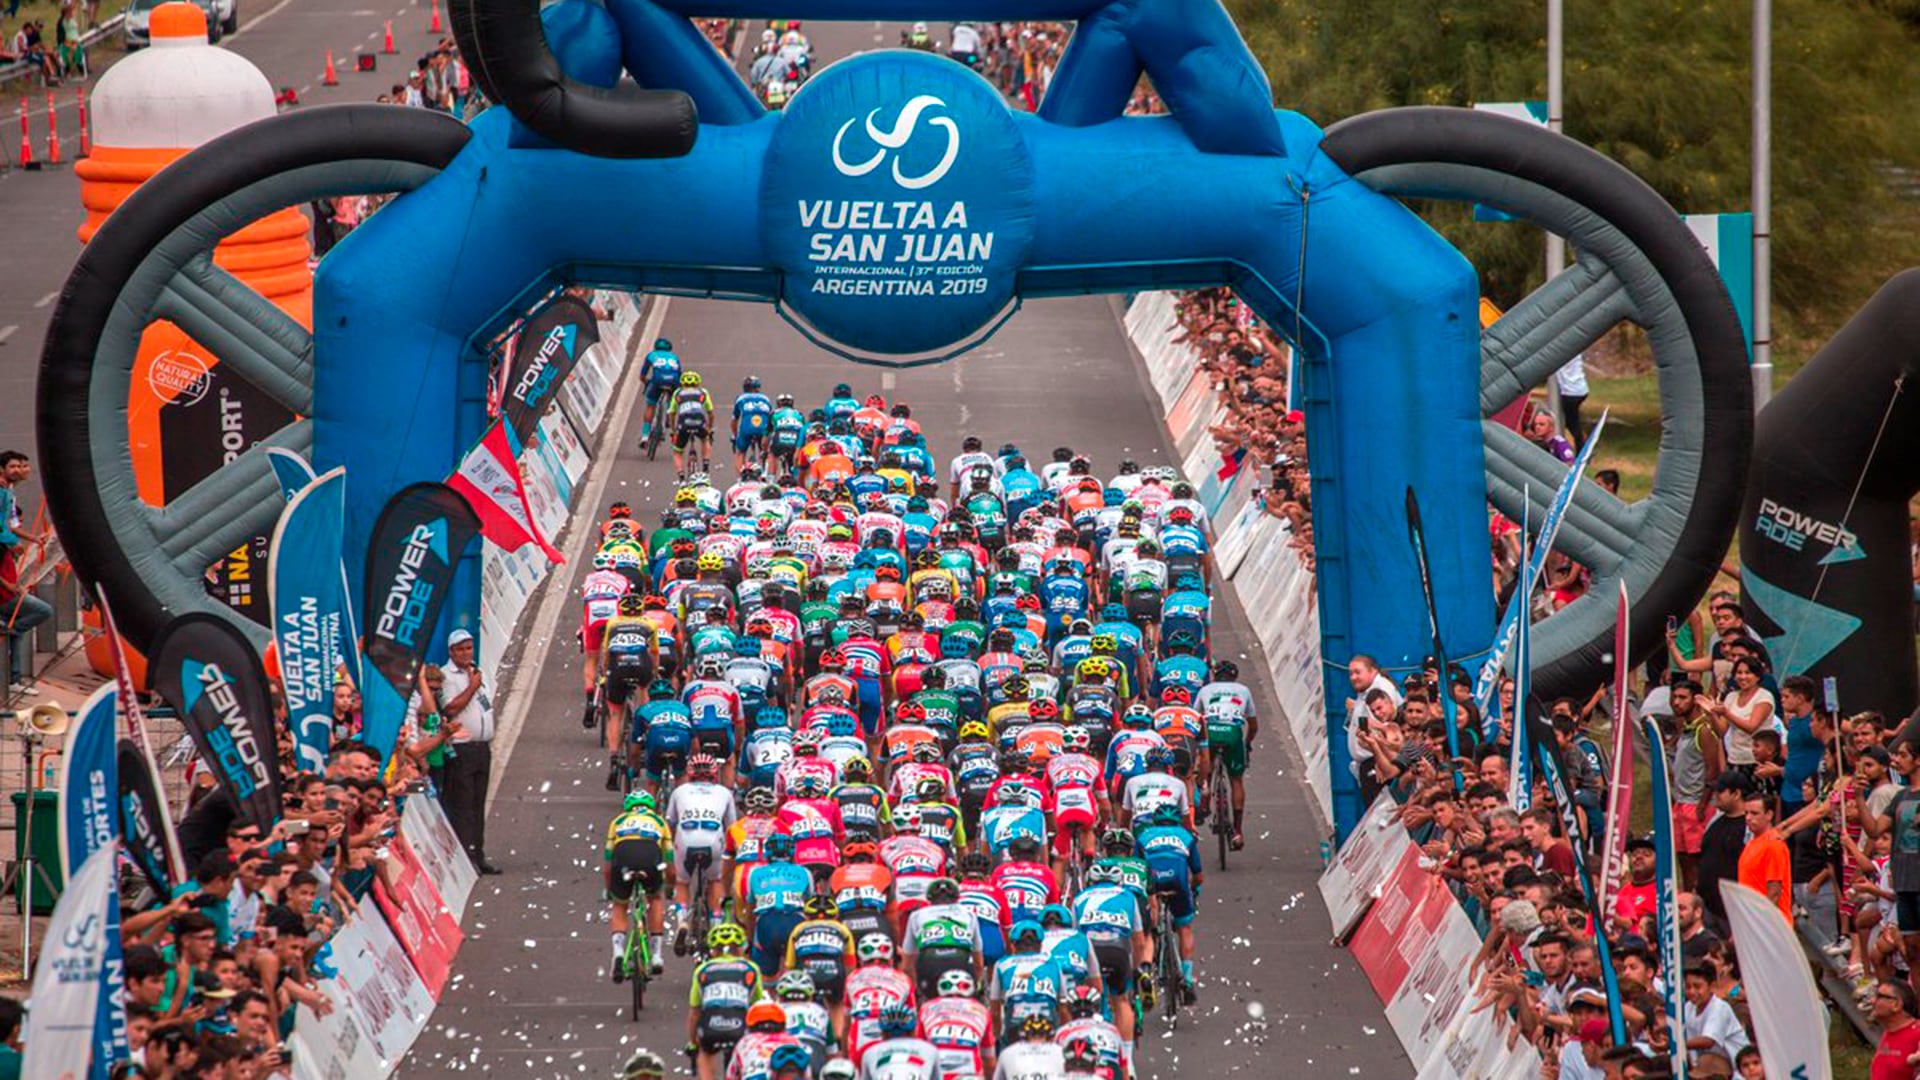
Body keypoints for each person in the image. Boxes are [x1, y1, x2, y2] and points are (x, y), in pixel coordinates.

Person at [439, 628, 501, 874]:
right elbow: (450, 708)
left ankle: (479, 853)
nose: (466, 653)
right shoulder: (448, 676)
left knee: (477, 803)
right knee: (463, 804)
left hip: (481, 747)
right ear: (452, 651)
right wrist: (472, 687)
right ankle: (465, 857)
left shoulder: (475, 672)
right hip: (460, 749)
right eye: (461, 649)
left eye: (469, 648)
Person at [605, 790, 671, 982]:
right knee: (656, 898)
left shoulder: (618, 821)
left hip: (623, 857)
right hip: (650, 857)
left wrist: (610, 889)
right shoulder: (659, 822)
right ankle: (657, 955)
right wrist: (670, 885)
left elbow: (608, 864)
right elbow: (670, 860)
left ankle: (618, 953)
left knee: (620, 904)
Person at [0, 450, 52, 692]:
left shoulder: (9, 493)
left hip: (7, 579)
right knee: (38, 611)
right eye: (14, 466)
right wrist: (12, 541)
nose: (21, 470)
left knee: (18, 621)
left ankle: (14, 678)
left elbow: (11, 524)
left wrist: (32, 539)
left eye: (23, 465)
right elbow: (6, 527)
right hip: (5, 591)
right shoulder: (2, 493)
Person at [1869, 979, 1920, 1079]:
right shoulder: (1889, 1032)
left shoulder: (1917, 1033)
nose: (1872, 1000)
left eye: (1879, 996)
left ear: (1896, 1005)